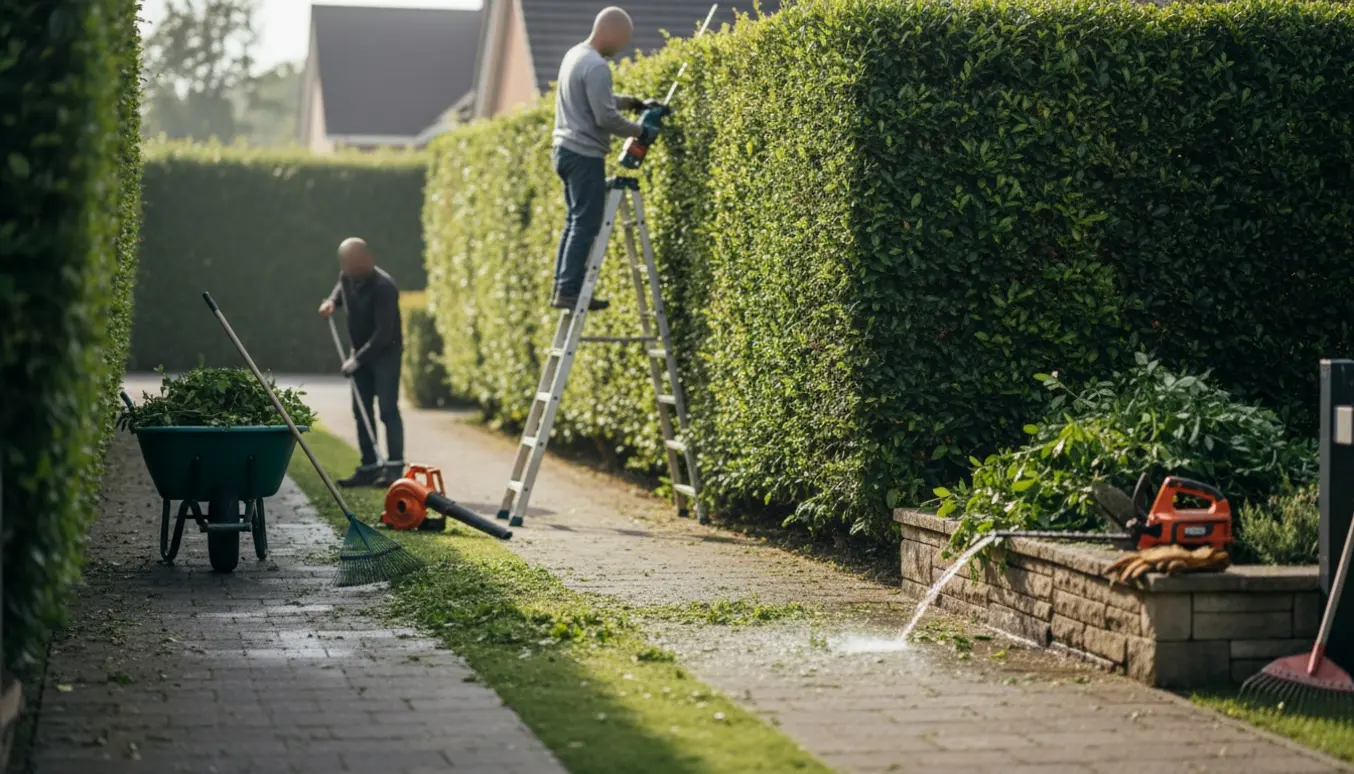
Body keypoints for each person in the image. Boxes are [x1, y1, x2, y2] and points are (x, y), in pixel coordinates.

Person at [550, 6, 661, 311]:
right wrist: (641, 131)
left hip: (563, 150)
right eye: (622, 40)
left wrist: (632, 102)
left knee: (574, 220)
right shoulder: (598, 66)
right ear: (609, 31)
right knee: (586, 222)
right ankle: (570, 290)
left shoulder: (574, 55)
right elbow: (604, 117)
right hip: (585, 154)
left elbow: (597, 100)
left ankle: (563, 287)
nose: (622, 48)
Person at [318, 237, 405, 487]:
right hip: (360, 354)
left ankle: (394, 468)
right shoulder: (347, 276)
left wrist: (357, 360)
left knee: (388, 409)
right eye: (346, 265)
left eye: (354, 264)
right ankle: (369, 466)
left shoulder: (384, 287)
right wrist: (332, 302)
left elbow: (384, 333)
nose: (349, 270)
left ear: (368, 260)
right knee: (361, 410)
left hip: (385, 354)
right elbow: (340, 289)